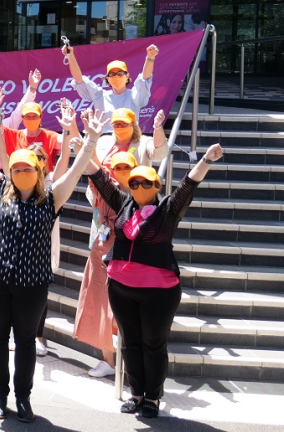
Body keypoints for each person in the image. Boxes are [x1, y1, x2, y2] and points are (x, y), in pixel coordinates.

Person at [0, 98, 104, 423]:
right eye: (16, 168)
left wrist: (89, 140)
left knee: (25, 342)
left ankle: (23, 398)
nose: (20, 173)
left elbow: (76, 169)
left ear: (38, 171)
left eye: (27, 168)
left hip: (31, 286)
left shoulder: (52, 197)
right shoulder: (0, 187)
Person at [86, 143, 223, 418]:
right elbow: (99, 178)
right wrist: (85, 145)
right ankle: (136, 394)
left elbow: (189, 184)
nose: (138, 187)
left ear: (157, 185)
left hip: (159, 292)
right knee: (130, 342)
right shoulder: (123, 204)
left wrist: (207, 159)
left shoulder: (167, 210)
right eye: (134, 183)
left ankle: (152, 397)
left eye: (145, 182)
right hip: (121, 288)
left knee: (153, 344)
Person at [78, 107, 169, 377]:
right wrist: (86, 136)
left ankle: (131, 362)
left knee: (127, 303)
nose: (118, 127)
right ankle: (108, 359)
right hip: (103, 232)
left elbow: (160, 153)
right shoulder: (106, 163)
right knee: (101, 298)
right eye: (115, 123)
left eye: (124, 123)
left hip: (131, 244)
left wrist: (158, 128)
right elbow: (93, 168)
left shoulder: (141, 193)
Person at [66, 43, 160, 129]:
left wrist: (150, 58)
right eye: (112, 74)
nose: (116, 77)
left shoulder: (134, 96)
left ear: (127, 76)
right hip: (104, 139)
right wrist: (70, 56)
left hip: (130, 140)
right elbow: (79, 80)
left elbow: (145, 78)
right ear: (107, 78)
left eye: (120, 73)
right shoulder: (100, 96)